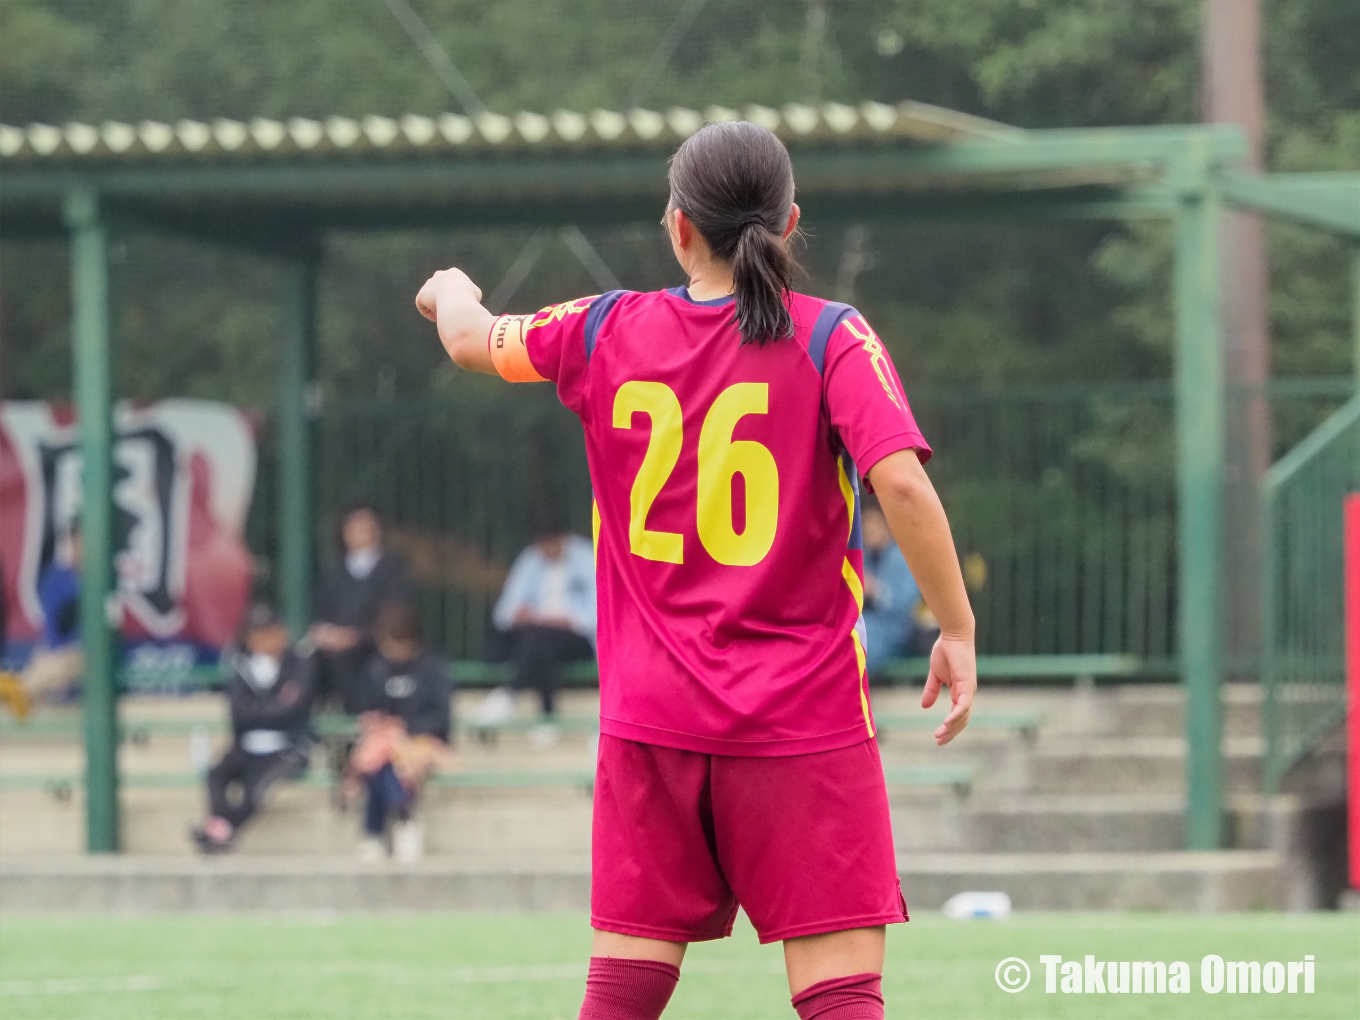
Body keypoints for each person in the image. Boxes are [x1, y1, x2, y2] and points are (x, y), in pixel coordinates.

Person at [416, 120, 977, 1020]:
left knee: (623, 997)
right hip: (803, 719)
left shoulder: (603, 328)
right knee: (840, 998)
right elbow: (902, 482)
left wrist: (451, 287)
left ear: (677, 227)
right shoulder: (834, 337)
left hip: (653, 723)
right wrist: (955, 625)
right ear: (790, 222)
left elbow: (471, 339)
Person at [192, 603, 317, 853]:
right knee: (216, 774)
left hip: (286, 746)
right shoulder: (241, 666)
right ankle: (220, 829)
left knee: (257, 787)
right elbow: (239, 712)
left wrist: (261, 711)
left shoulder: (299, 664)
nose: (266, 640)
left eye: (271, 632)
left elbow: (293, 709)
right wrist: (273, 708)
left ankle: (221, 831)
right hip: (247, 744)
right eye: (259, 634)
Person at [349, 601, 452, 863]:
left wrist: (405, 729)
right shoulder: (374, 668)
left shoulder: (432, 668)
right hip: (383, 743)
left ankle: (374, 830)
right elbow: (365, 708)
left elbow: (441, 717)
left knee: (390, 759)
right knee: (379, 760)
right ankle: (403, 816)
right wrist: (379, 724)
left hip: (421, 741)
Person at [478, 514, 595, 739]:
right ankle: (546, 720)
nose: (545, 551)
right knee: (539, 642)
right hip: (535, 638)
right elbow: (503, 612)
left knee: (540, 640)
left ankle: (509, 694)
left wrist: (570, 619)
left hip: (576, 638)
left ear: (564, 539)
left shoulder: (586, 558)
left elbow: (599, 610)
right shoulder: (530, 559)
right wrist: (519, 613)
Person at [310, 503, 411, 713]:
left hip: (375, 650)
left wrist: (357, 636)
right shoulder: (334, 570)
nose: (360, 533)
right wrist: (327, 634)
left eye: (365, 528)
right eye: (354, 528)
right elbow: (324, 611)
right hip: (336, 654)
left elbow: (396, 614)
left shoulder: (392, 569)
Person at [860, 495, 923, 677]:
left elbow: (906, 604)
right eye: (866, 526)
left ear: (886, 527)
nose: (869, 530)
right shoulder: (863, 556)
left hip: (895, 630)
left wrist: (876, 591)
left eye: (874, 525)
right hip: (866, 623)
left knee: (864, 643)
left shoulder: (901, 558)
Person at [22, 521, 83, 704]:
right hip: (56, 657)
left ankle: (20, 692)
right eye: (77, 541)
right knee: (46, 660)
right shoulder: (57, 577)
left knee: (74, 658)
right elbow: (52, 631)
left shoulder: (105, 580)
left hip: (89, 658)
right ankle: (20, 693)